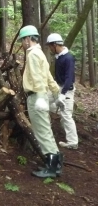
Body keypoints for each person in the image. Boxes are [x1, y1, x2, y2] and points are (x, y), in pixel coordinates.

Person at [18, 25, 65, 178]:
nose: (22, 43)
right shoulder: (41, 53)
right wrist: (57, 93)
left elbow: (38, 77)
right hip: (42, 95)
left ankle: (51, 167)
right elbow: (48, 77)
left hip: (36, 97)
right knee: (46, 130)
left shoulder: (32, 54)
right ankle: (56, 163)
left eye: (22, 40)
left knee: (42, 131)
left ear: (27, 39)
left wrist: (39, 96)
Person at [46, 33, 78, 149]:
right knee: (44, 103)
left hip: (66, 90)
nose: (49, 48)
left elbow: (69, 78)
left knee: (66, 115)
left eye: (50, 46)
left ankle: (73, 142)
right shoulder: (59, 57)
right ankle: (46, 129)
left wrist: (63, 94)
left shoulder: (68, 58)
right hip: (57, 87)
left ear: (55, 45)